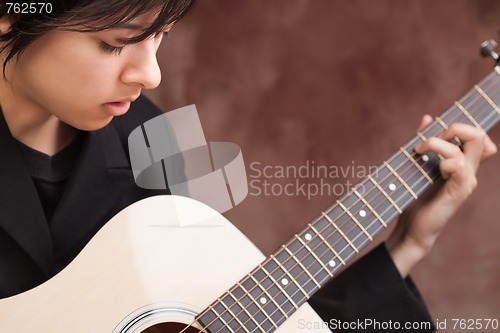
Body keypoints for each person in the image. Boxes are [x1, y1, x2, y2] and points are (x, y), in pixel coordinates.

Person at [0, 0, 496, 332]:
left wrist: (408, 246)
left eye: (161, 38)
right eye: (115, 42)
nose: (150, 74)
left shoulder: (156, 143)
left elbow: (230, 319)